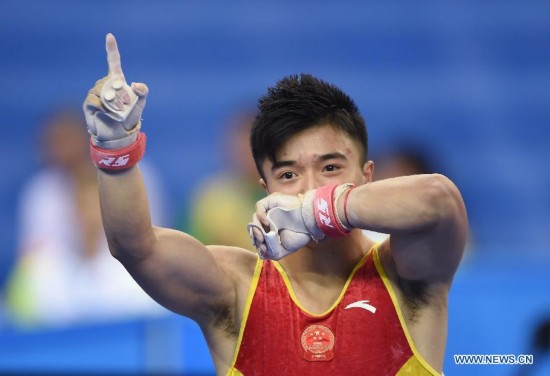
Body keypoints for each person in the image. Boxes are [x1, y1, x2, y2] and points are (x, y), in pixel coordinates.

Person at [82, 34, 467, 375]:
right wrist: (116, 152)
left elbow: (439, 201)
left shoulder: (407, 277)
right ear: (264, 188)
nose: (310, 187)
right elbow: (135, 247)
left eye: (330, 167)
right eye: (288, 175)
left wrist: (320, 212)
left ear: (367, 175)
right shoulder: (234, 288)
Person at [4, 107, 167, 328]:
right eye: (53, 143)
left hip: (123, 276)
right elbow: (33, 263)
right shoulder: (40, 192)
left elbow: (152, 243)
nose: (60, 150)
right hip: (65, 284)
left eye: (67, 140)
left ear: (86, 138)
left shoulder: (133, 175)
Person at [183, 108, 264, 250]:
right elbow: (186, 250)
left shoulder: (289, 195)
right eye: (241, 144)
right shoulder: (209, 197)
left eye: (253, 146)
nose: (247, 153)